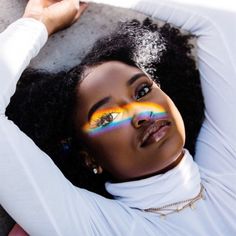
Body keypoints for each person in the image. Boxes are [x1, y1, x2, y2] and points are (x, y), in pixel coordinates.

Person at [1, 0, 236, 235]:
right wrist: (37, 24)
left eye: (143, 91)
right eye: (108, 117)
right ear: (89, 158)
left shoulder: (227, 163)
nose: (141, 113)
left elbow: (223, 19)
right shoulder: (96, 227)